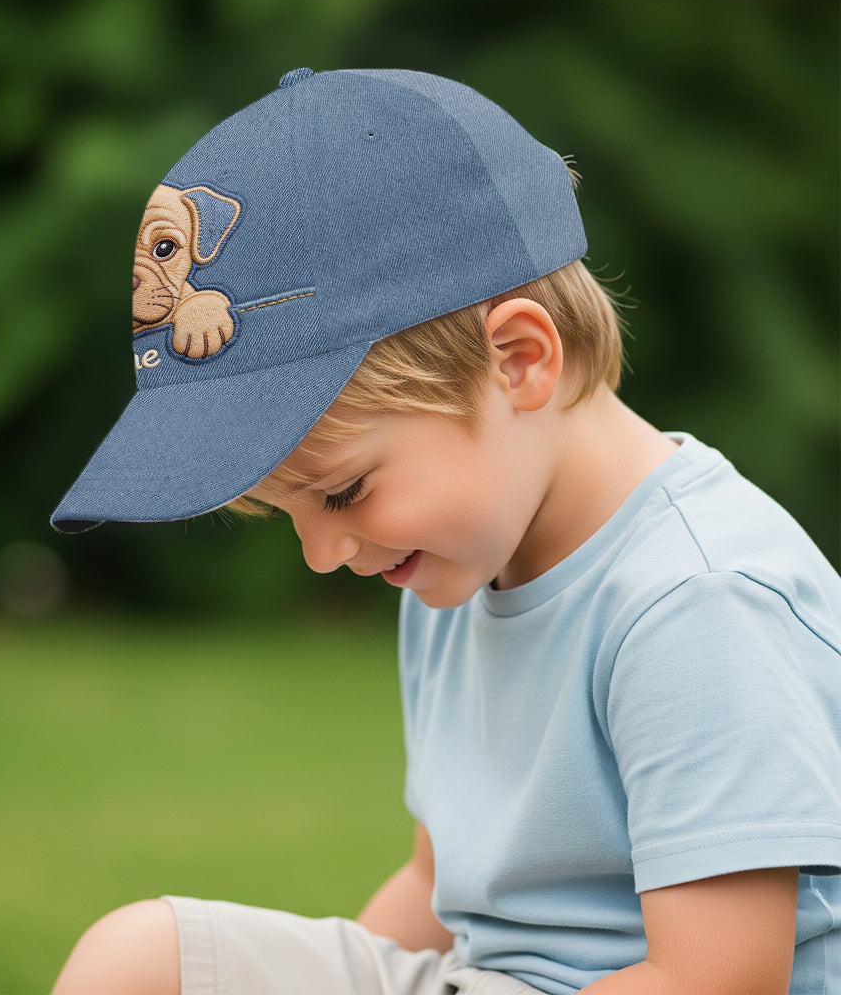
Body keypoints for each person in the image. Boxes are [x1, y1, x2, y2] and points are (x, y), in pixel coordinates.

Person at [49, 69, 841, 994]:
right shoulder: (451, 567)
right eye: (288, 513)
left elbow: (715, 980)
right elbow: (437, 889)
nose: (321, 554)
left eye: (341, 493)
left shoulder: (695, 599)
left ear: (518, 361)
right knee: (139, 962)